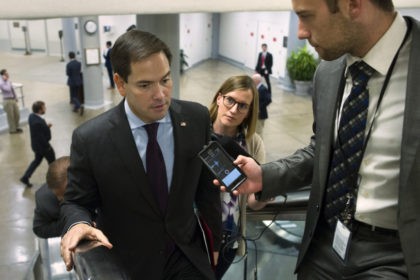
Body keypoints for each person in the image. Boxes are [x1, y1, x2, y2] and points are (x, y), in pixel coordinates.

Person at [218, 0, 420, 279]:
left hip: (398, 255)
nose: (300, 32)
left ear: (353, 5)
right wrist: (265, 176)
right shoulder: (328, 71)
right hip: (325, 243)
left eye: (306, 16)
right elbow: (323, 151)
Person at [60, 30, 222, 279]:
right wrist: (78, 223)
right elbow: (76, 201)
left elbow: (207, 190)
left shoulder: (197, 118)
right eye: (145, 85)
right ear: (121, 84)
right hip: (128, 265)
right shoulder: (91, 138)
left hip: (187, 256)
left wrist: (216, 245)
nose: (160, 94)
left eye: (165, 80)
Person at [208, 75, 269, 279]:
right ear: (219, 98)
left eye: (242, 106)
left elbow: (253, 201)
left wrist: (267, 191)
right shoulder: (194, 130)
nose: (234, 110)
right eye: (230, 100)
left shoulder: (253, 144)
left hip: (228, 236)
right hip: (193, 232)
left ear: (249, 112)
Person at [20, 101, 55, 188]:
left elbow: (39, 132)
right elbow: (42, 138)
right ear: (40, 110)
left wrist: (46, 127)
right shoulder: (39, 122)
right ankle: (55, 180)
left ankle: (25, 177)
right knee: (53, 163)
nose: (45, 109)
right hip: (43, 147)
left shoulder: (32, 116)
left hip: (36, 146)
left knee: (37, 161)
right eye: (44, 107)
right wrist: (48, 147)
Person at [33, 156, 70, 239]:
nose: (61, 199)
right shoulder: (44, 200)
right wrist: (71, 223)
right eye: (60, 196)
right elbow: (39, 229)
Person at [0, 69, 22, 134]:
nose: (8, 75)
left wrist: (16, 97)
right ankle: (12, 130)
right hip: (7, 100)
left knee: (17, 114)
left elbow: (13, 90)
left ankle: (17, 127)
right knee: (11, 116)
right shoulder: (1, 82)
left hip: (13, 99)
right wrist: (6, 81)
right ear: (2, 75)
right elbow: (8, 89)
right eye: (6, 74)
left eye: (7, 73)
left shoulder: (8, 81)